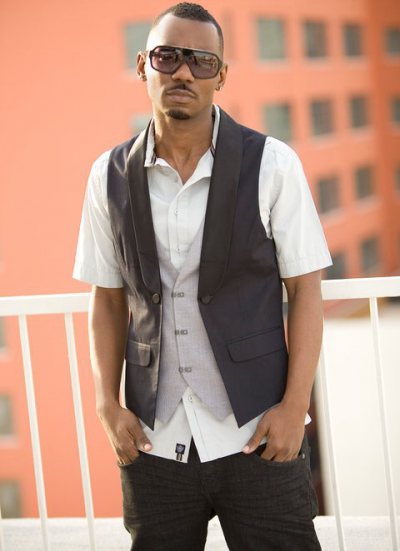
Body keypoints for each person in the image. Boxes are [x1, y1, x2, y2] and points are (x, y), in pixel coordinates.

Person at [72, 3, 333, 550]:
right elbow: (107, 297)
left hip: (258, 434)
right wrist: (105, 403)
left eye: (201, 61)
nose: (183, 72)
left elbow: (305, 288)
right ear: (143, 65)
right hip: (154, 443)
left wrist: (295, 408)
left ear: (221, 75)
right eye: (167, 57)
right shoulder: (107, 175)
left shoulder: (273, 164)